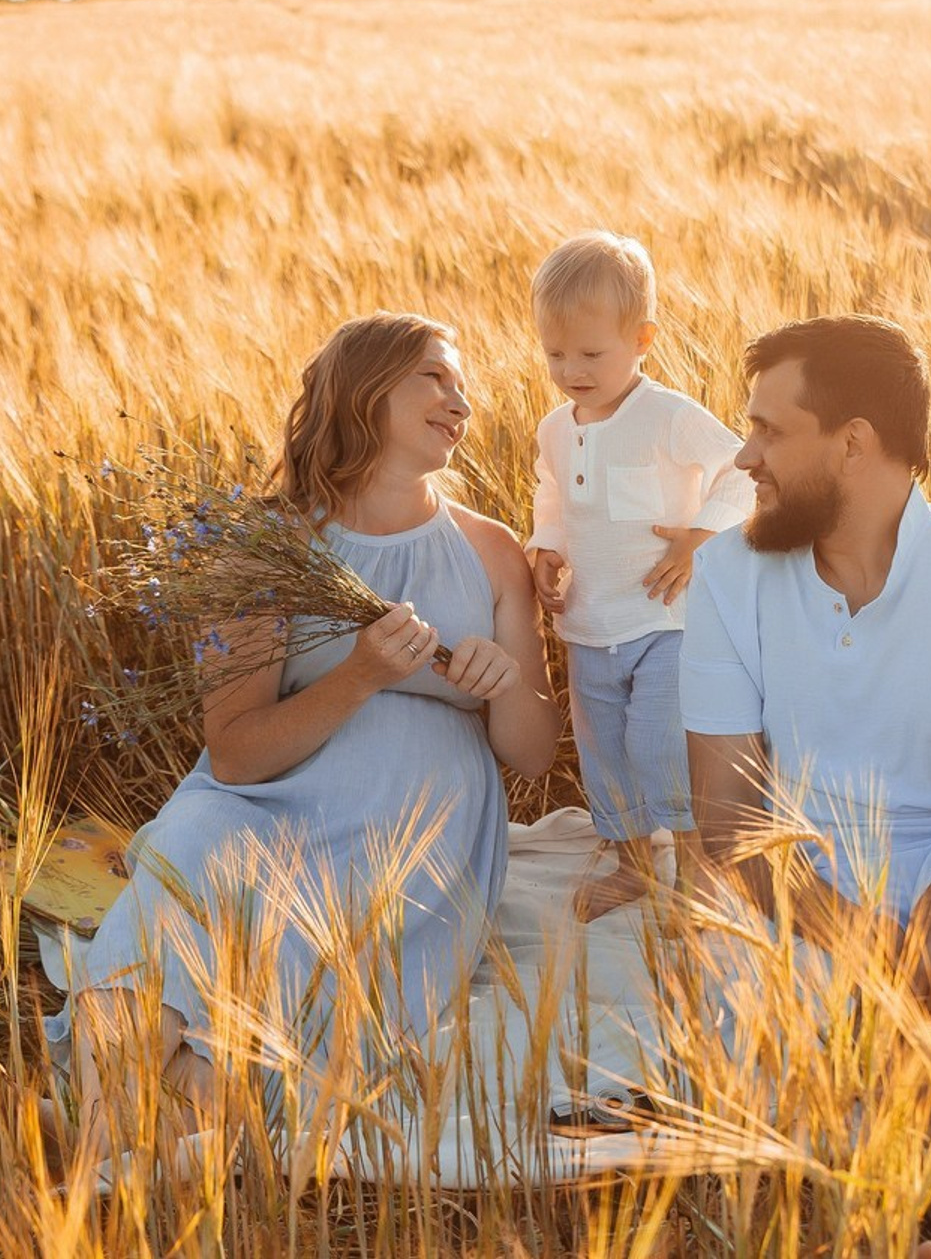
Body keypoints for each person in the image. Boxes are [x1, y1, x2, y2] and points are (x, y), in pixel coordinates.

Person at [43, 312, 561, 1160]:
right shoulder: (265, 549)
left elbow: (534, 752)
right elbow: (238, 753)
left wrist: (506, 686)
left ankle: (88, 1142)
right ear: (365, 391)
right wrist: (359, 673)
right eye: (435, 376)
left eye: (461, 383)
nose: (459, 398)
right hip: (257, 810)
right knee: (182, 885)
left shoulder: (491, 552)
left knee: (304, 994)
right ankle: (117, 1128)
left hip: (414, 834)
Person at [678, 315, 931, 1258]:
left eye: (769, 430)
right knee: (812, 1006)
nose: (744, 456)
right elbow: (729, 827)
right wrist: (872, 942)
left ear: (854, 442)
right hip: (802, 880)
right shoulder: (726, 576)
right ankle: (890, 1232)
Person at [525, 231, 753, 922]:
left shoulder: (668, 416)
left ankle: (695, 870)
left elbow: (742, 470)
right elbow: (552, 493)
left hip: (663, 617)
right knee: (605, 753)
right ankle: (633, 867)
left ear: (642, 337)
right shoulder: (556, 430)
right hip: (590, 623)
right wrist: (545, 548)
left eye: (592, 353)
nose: (572, 370)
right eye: (556, 354)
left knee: (659, 744)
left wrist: (702, 536)